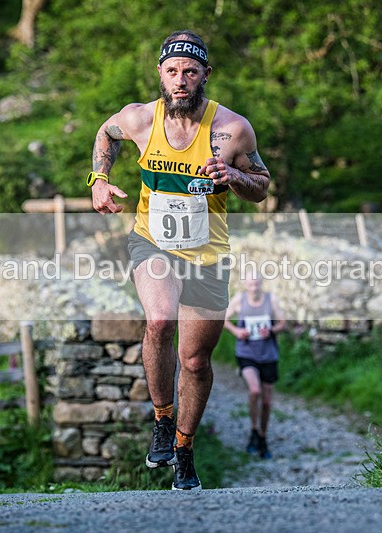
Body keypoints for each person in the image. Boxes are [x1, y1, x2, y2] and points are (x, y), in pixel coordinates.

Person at [88, 30, 271, 490]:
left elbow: (263, 186)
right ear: (161, 76)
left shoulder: (231, 129)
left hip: (208, 254)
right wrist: (99, 179)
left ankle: (185, 449)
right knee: (159, 320)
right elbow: (104, 134)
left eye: (190, 71)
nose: (181, 80)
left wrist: (232, 175)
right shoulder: (138, 120)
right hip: (152, 241)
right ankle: (163, 420)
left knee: (195, 362)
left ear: (205, 74)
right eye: (172, 72)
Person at [223, 274, 285, 459]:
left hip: (268, 355)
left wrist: (271, 330)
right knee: (255, 391)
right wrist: (237, 331)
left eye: (257, 283)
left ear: (261, 284)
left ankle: (263, 438)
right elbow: (224, 319)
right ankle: (254, 430)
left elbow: (283, 323)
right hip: (246, 353)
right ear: (245, 284)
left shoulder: (271, 299)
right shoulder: (239, 299)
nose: (254, 286)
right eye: (250, 283)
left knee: (266, 401)